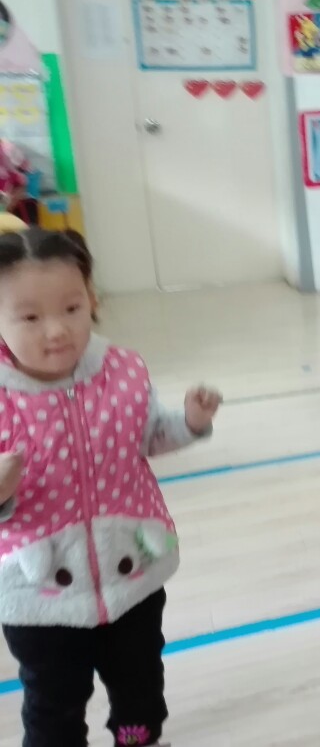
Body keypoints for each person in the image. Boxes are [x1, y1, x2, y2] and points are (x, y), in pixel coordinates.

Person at [0, 227, 222, 747]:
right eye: (30, 317)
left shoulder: (121, 370)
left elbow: (147, 436)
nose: (57, 329)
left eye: (72, 307)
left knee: (140, 686)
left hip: (132, 573)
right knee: (52, 706)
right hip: (39, 594)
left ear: (92, 300)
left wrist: (189, 423)